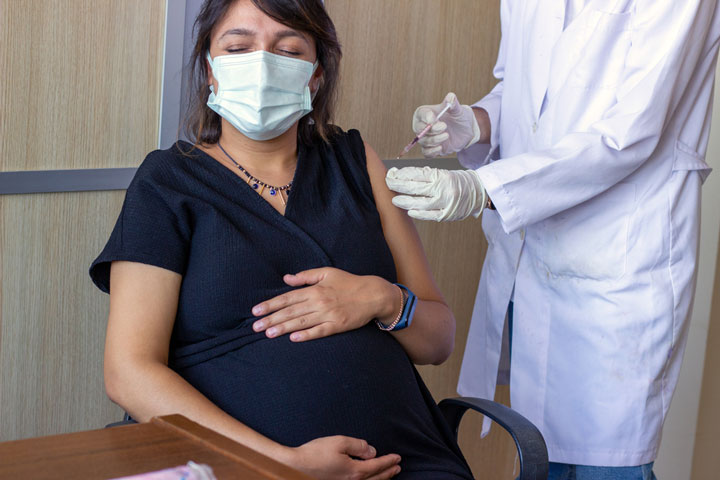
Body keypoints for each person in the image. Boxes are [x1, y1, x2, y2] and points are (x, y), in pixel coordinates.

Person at [89, 1, 474, 479]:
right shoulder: (167, 183)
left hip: (403, 463)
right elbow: (128, 373)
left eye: (288, 50)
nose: (263, 64)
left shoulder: (357, 161)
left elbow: (437, 342)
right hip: (239, 467)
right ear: (211, 71)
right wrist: (283, 463)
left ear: (314, 76)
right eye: (238, 47)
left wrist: (384, 298)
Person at [385, 1, 720, 479]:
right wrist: (477, 122)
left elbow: (629, 134)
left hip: (616, 272)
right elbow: (523, 89)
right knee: (537, 452)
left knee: (604, 463)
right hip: (533, 257)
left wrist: (486, 188)